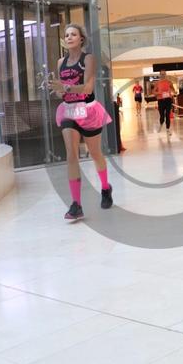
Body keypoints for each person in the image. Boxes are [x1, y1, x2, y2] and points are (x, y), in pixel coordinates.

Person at [50, 24, 113, 222]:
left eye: (73, 34)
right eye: (67, 35)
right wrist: (58, 90)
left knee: (95, 154)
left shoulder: (88, 59)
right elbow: (62, 91)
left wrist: (65, 87)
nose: (69, 37)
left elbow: (87, 88)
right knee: (71, 155)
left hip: (88, 111)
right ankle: (76, 204)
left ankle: (105, 188)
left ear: (81, 39)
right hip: (68, 111)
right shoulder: (61, 62)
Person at [152, 70, 175, 134]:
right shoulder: (157, 83)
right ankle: (161, 124)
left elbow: (173, 89)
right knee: (162, 115)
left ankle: (168, 129)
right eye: (162, 74)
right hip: (161, 100)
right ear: (160, 75)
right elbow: (153, 92)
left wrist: (172, 92)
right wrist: (158, 93)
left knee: (167, 115)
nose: (163, 75)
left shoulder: (169, 82)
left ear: (166, 74)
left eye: (164, 74)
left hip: (168, 100)